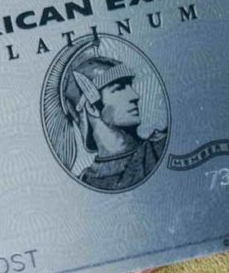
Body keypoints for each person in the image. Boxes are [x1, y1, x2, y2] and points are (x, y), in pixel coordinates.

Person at [58, 40, 167, 192]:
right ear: (92, 107)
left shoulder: (160, 147)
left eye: (130, 86)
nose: (135, 95)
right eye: (119, 89)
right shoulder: (86, 182)